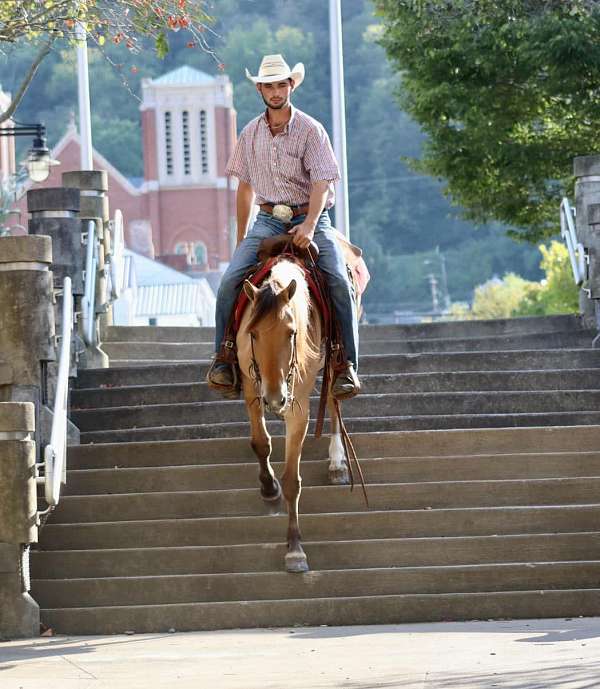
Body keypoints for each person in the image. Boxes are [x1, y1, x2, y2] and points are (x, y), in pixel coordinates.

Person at [207, 54, 360, 399]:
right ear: (260, 89)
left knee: (337, 280)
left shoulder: (310, 129)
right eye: (269, 86)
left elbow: (322, 182)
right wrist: (242, 236)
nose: (276, 92)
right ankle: (224, 358)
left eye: (281, 84)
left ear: (291, 85)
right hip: (267, 220)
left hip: (311, 216)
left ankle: (345, 364)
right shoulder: (249, 134)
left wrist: (308, 224)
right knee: (231, 280)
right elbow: (244, 186)